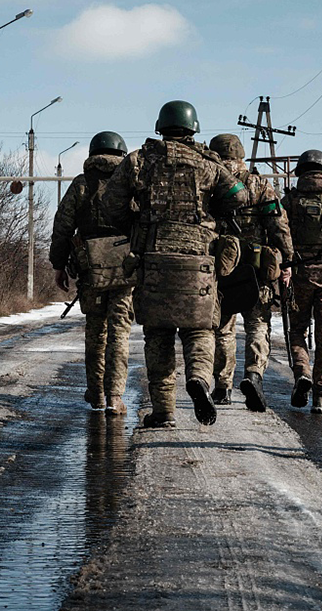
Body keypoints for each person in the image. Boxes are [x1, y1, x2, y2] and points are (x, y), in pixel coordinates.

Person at [103, 101, 247, 428]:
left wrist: (136, 228)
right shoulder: (208, 163)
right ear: (193, 128)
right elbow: (239, 195)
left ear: (160, 127)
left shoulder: (138, 160)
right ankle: (198, 378)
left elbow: (110, 203)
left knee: (158, 334)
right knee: (200, 329)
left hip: (153, 258)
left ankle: (164, 410)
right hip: (198, 259)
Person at [208, 133, 293, 411]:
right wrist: (287, 261)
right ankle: (254, 374)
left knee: (223, 327)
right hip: (257, 268)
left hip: (223, 268)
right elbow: (279, 226)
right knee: (258, 324)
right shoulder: (260, 185)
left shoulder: (212, 183)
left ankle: (222, 386)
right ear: (241, 155)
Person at [49, 131, 133, 414]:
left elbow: (62, 227)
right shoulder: (131, 183)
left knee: (96, 331)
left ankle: (96, 393)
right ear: (121, 154)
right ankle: (115, 397)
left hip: (91, 270)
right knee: (119, 333)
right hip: (125, 270)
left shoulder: (81, 185)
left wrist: (58, 265)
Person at [283, 150, 322, 415]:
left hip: (299, 275)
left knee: (297, 331)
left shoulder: (291, 201)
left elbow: (280, 234)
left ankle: (302, 373)